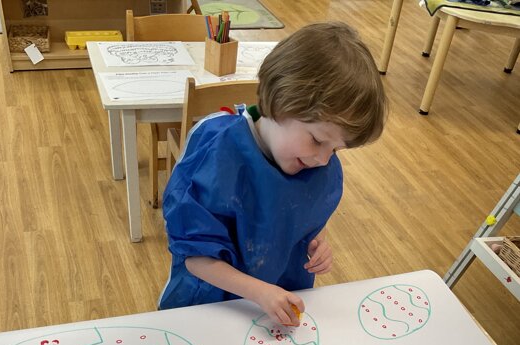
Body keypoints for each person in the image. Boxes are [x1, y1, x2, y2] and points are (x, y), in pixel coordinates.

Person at [159, 21, 386, 327]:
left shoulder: (314, 161)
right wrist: (260, 292)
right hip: (210, 307)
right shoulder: (217, 153)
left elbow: (305, 217)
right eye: (317, 140)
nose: (323, 159)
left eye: (336, 150)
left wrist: (317, 243)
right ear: (280, 103)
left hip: (273, 308)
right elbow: (196, 257)